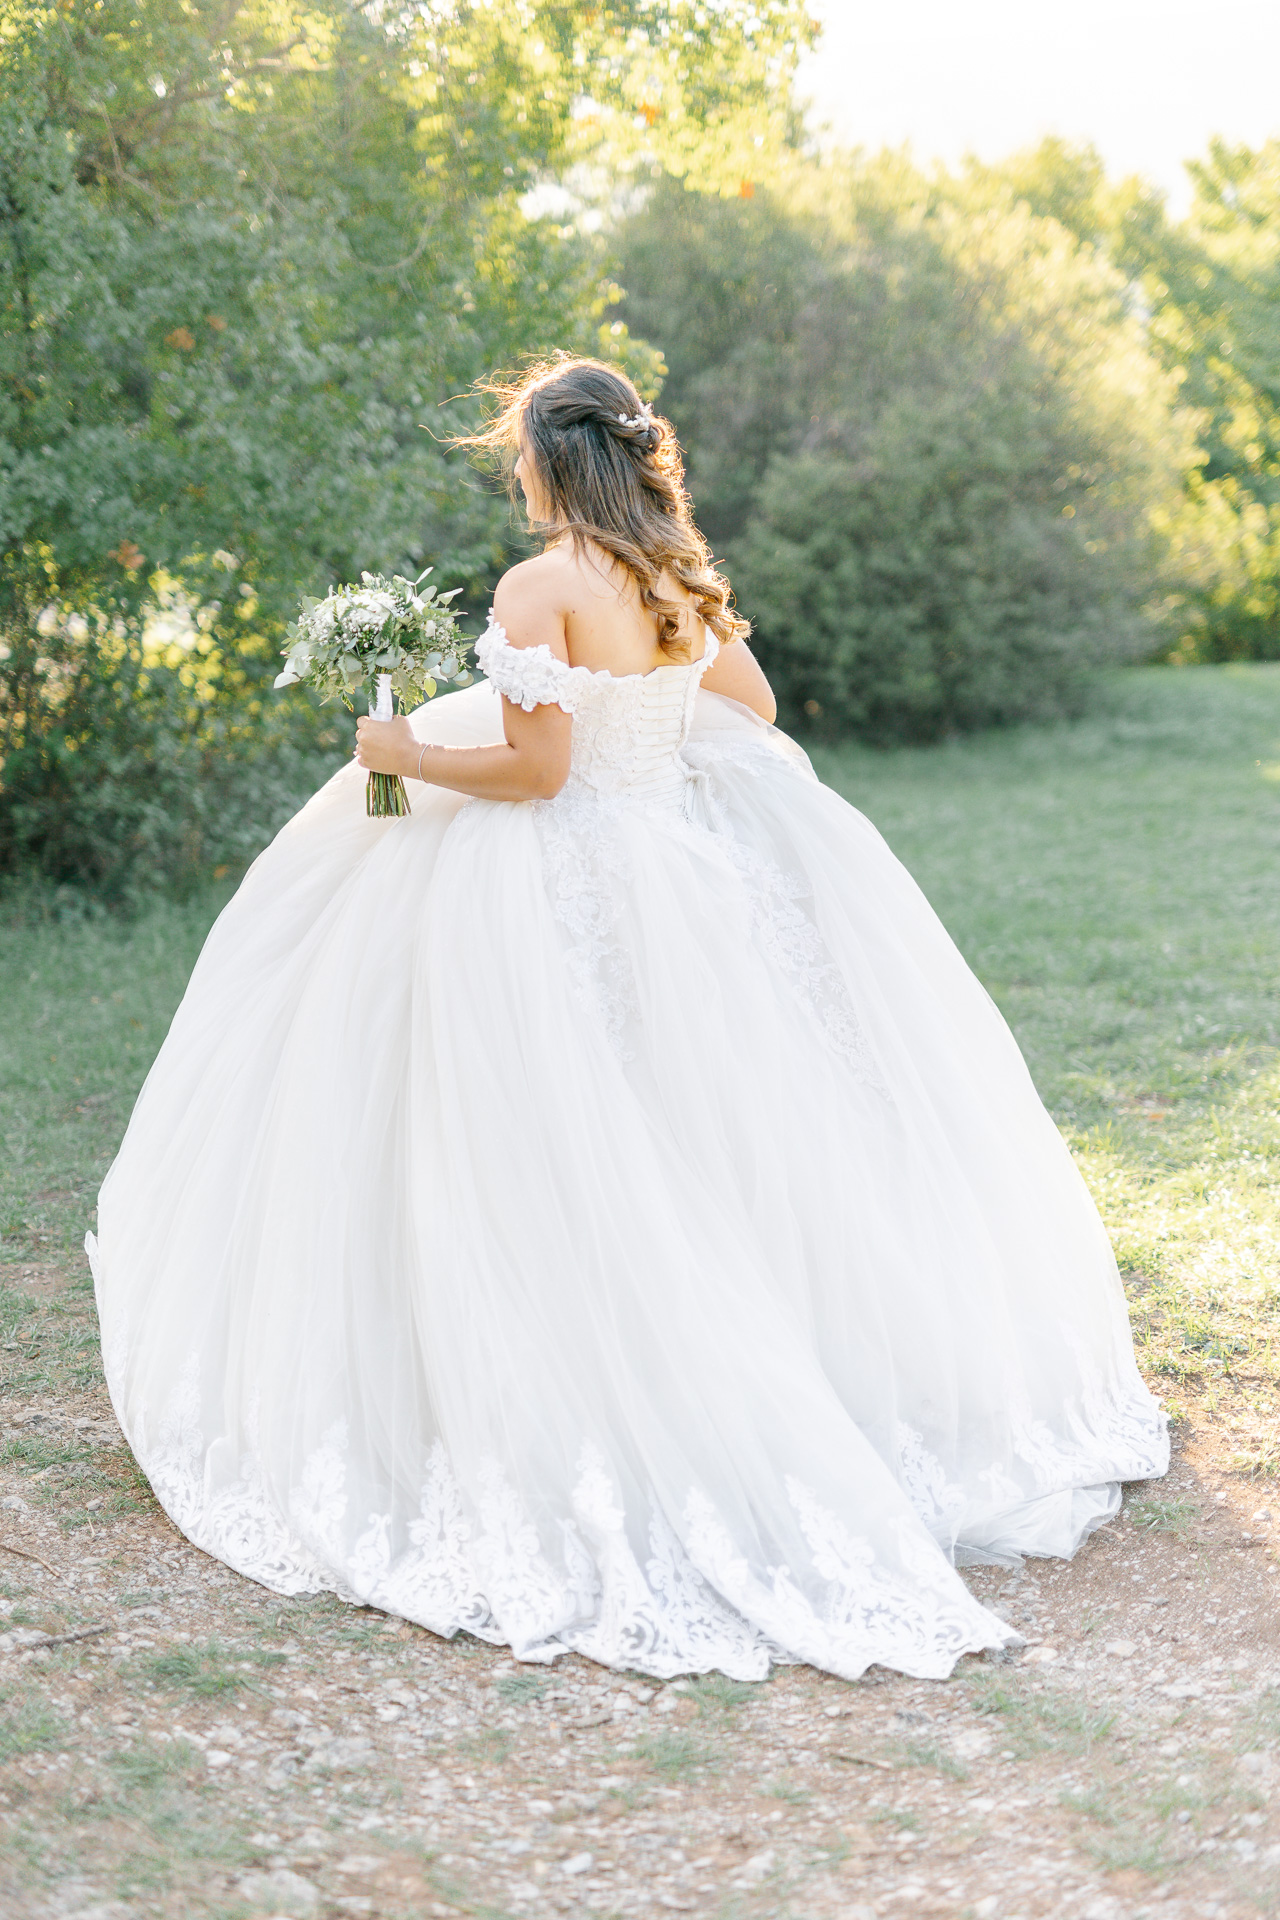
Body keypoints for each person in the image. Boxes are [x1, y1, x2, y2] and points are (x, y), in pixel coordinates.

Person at [88, 356, 1167, 1683]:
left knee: (549, 1145)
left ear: (547, 460)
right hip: (680, 883)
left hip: (562, 888)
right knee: (705, 1147)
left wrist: (407, 756)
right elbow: (753, 709)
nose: (516, 474)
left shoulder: (539, 586)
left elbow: (539, 773)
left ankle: (575, 1417)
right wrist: (646, 733)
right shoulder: (668, 569)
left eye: (517, 455)